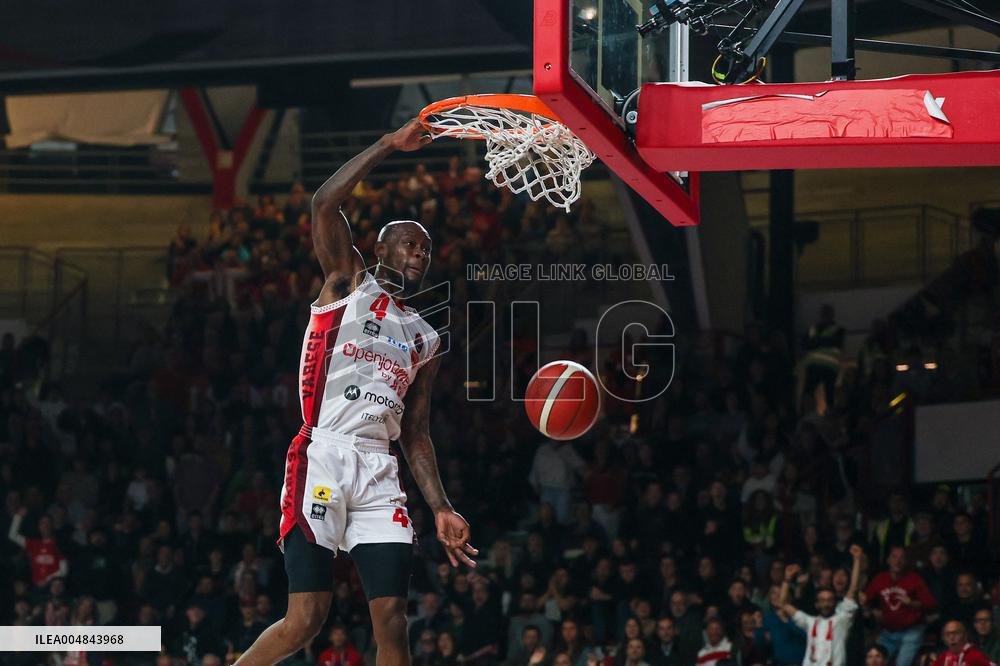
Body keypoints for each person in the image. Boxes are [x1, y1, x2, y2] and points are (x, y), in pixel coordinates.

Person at [235, 119, 477, 666]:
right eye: (409, 244)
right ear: (381, 248)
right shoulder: (348, 282)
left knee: (393, 621)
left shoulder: (426, 337)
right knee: (306, 620)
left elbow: (415, 432)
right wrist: (389, 144)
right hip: (322, 455)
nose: (420, 254)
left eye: (427, 249)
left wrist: (440, 506)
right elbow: (324, 202)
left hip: (379, 471)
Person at [779, 544, 864, 666]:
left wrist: (857, 560)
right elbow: (783, 603)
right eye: (822, 601)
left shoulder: (843, 618)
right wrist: (787, 579)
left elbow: (852, 589)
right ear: (816, 604)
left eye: (829, 600)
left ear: (835, 602)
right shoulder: (809, 621)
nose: (826, 604)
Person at [863, 546, 937, 666]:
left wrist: (911, 603)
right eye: (894, 557)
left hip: (911, 631)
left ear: (906, 561)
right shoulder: (880, 578)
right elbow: (865, 600)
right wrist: (872, 611)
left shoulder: (914, 578)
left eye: (902, 558)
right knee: (873, 661)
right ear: (888, 560)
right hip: (888, 632)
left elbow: (931, 605)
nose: (898, 561)